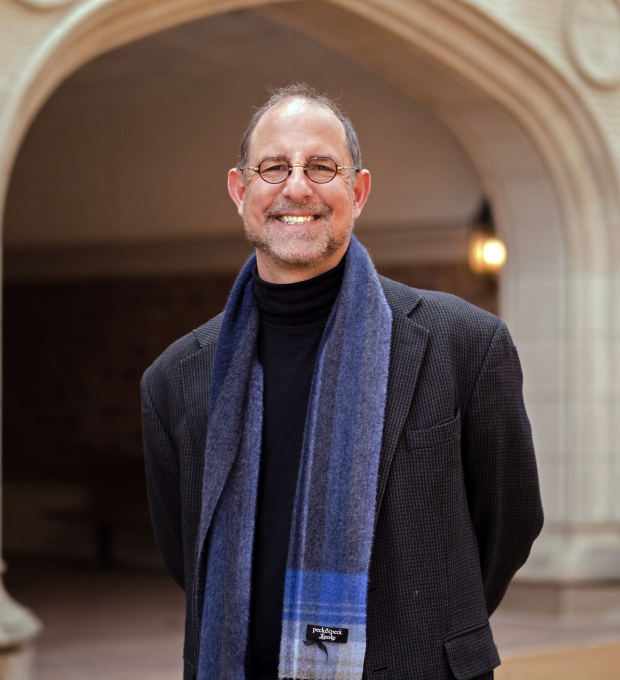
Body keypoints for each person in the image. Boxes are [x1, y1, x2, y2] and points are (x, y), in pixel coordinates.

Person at [141, 83, 543, 680]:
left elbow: (508, 523)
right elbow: (185, 556)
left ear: (357, 191)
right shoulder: (176, 379)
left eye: (322, 167)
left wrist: (427, 627)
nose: (296, 188)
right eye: (273, 168)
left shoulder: (464, 346)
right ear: (240, 190)